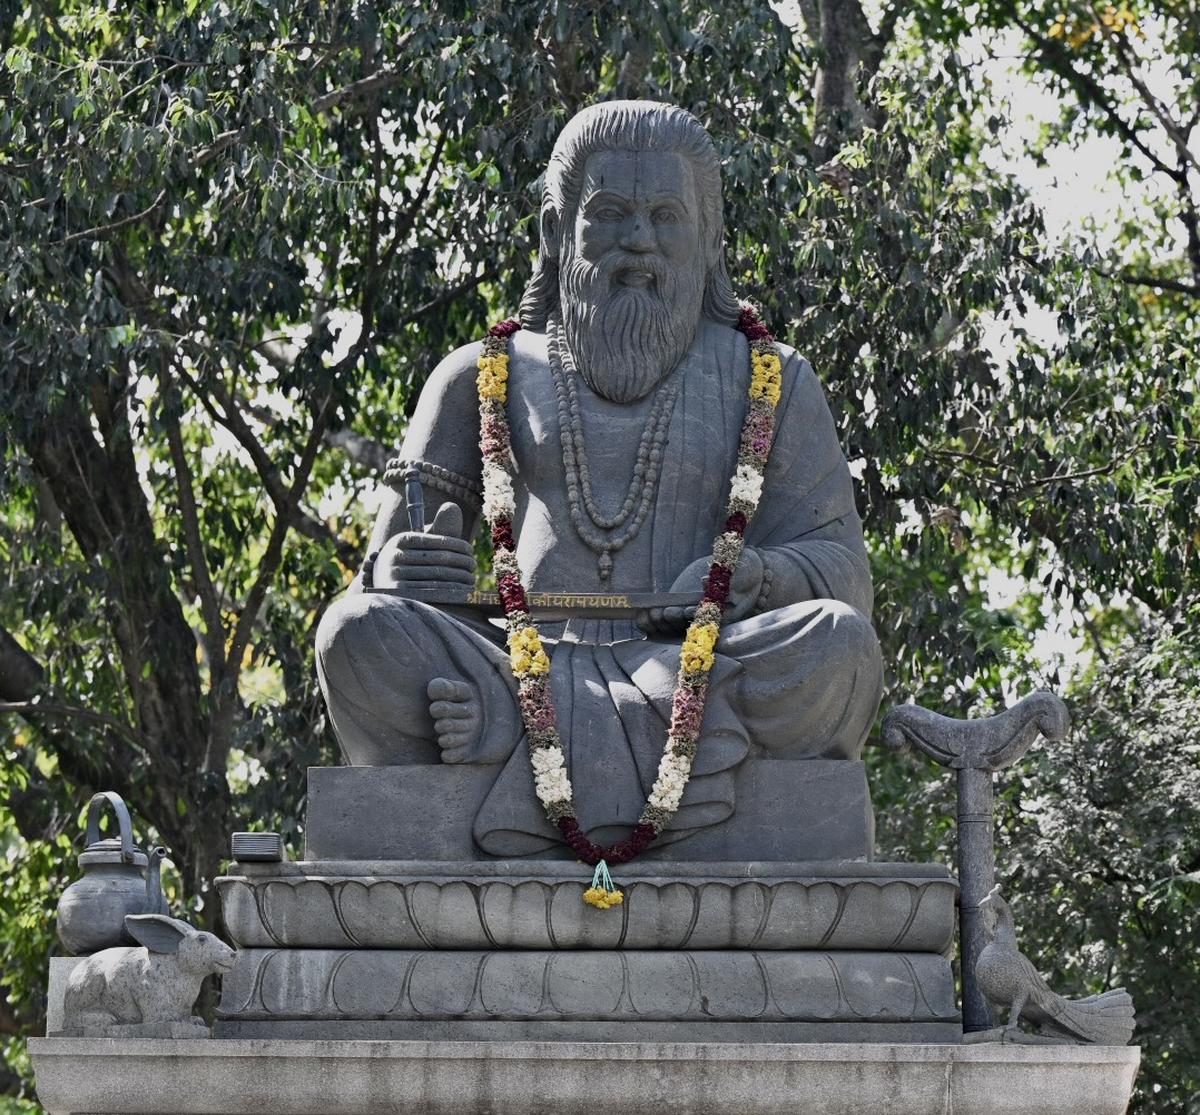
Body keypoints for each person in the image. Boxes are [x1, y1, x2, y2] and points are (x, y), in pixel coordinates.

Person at [316, 101, 882, 856]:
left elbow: (845, 577)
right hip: (522, 661)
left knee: (838, 648)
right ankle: (514, 723)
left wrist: (754, 576)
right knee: (353, 634)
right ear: (556, 232)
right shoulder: (482, 374)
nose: (638, 241)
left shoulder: (771, 377)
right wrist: (399, 567)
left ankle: (496, 736)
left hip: (697, 667)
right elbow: (377, 582)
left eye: (665, 216)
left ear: (710, 238)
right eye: (610, 213)